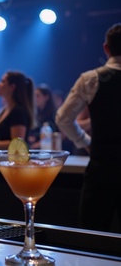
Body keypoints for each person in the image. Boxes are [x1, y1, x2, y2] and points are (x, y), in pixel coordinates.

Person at [56, 23, 121, 233]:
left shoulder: (91, 78)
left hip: (103, 167)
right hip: (102, 166)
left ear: (106, 48)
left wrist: (85, 143)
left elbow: (63, 118)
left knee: (93, 235)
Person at [28, 84, 57, 148]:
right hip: (35, 149)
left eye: (38, 96)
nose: (35, 99)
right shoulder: (35, 114)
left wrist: (39, 144)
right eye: (34, 96)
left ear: (46, 97)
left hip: (48, 149)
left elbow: (56, 135)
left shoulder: (54, 114)